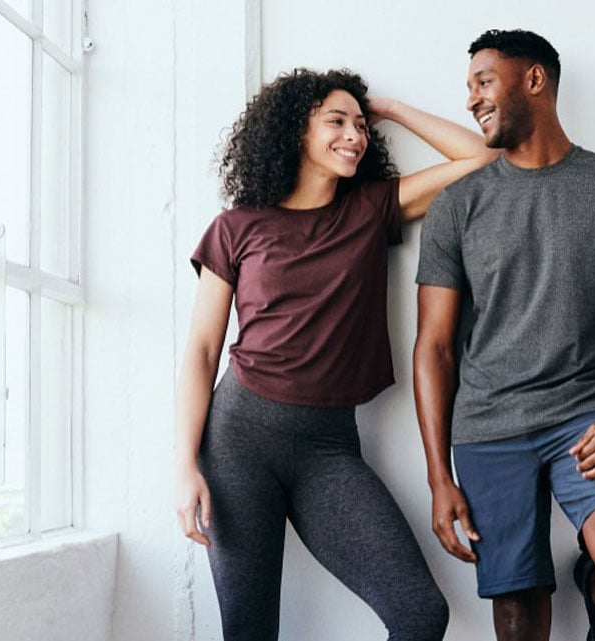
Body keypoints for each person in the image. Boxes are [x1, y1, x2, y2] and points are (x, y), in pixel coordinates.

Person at [174, 67, 494, 641]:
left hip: (328, 447)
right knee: (248, 632)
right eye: (336, 121)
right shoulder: (236, 227)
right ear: (298, 131)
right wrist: (184, 468)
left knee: (420, 614)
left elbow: (481, 161)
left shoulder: (370, 209)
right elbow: (201, 351)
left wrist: (390, 108)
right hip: (239, 440)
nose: (355, 134)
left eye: (360, 124)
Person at [413, 30, 595, 641]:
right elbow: (432, 347)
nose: (471, 100)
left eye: (484, 82)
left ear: (534, 80)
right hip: (488, 428)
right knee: (517, 627)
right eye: (469, 87)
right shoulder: (456, 207)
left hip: (585, 418)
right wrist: (439, 478)